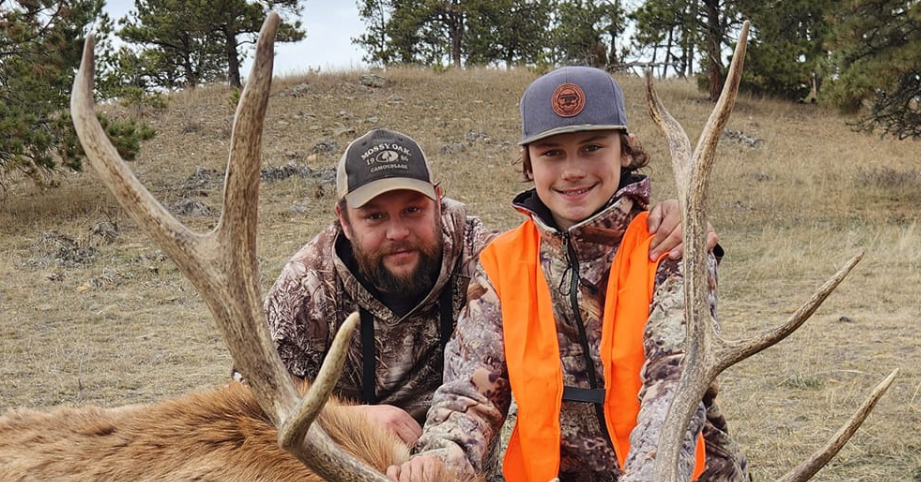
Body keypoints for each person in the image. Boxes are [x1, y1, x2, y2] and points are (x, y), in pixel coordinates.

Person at [389, 68, 788, 482]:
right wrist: (438, 465)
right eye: (552, 152)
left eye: (591, 148)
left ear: (624, 151)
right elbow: (469, 394)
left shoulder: (671, 244)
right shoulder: (504, 263)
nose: (572, 170)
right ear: (528, 161)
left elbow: (673, 379)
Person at [263, 127, 689, 448]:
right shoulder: (307, 286)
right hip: (345, 454)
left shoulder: (481, 255)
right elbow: (255, 400)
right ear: (343, 219)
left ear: (437, 199)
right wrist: (351, 421)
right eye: (374, 217)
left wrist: (663, 218)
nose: (397, 232)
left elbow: (569, 261)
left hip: (454, 458)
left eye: (412, 210)